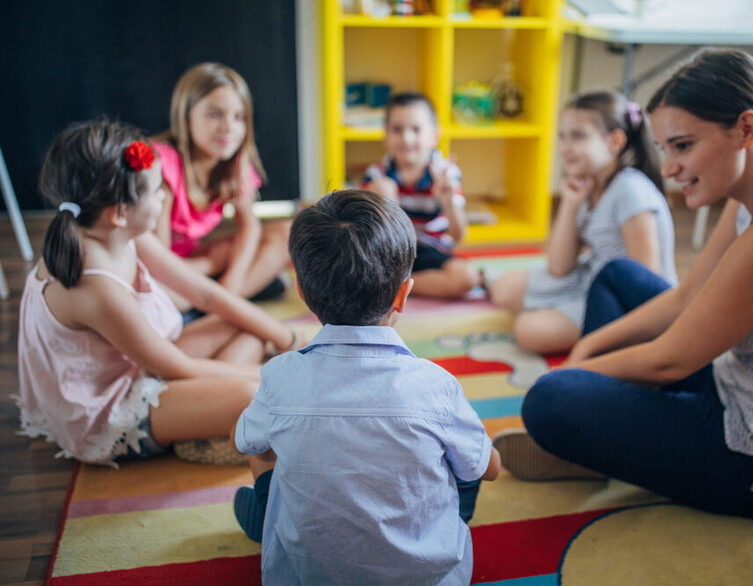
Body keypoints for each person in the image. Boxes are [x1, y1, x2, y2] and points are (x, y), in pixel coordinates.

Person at [493, 49, 753, 516]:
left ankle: (602, 435)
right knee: (616, 277)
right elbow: (686, 297)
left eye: (683, 145)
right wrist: (584, 353)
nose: (670, 169)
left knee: (549, 400)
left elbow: (668, 362)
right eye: (664, 149)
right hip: (735, 383)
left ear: (746, 130)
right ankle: (609, 433)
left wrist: (574, 374)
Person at [231, 190, 502, 584]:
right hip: (425, 578)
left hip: (308, 574)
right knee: (462, 460)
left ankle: (269, 514)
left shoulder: (280, 375)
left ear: (303, 293)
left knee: (265, 440)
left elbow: (246, 443)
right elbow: (489, 469)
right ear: (403, 295)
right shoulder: (436, 385)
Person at [16, 120, 299, 468]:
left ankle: (206, 419)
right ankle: (206, 421)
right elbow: (174, 365)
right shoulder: (95, 286)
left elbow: (207, 296)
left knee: (250, 328)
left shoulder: (118, 232)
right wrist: (281, 375)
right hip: (116, 408)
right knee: (255, 395)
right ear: (119, 213)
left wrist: (288, 340)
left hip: (141, 366)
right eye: (155, 192)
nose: (164, 197)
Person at [489, 91, 677, 355]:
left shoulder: (630, 190)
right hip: (588, 278)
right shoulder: (589, 183)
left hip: (622, 298)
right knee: (504, 289)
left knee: (528, 330)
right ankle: (557, 311)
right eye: (562, 137)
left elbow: (646, 281)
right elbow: (559, 266)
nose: (565, 147)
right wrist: (570, 204)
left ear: (615, 141)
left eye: (577, 136)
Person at [151, 62, 291, 313]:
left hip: (194, 269)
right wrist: (211, 263)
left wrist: (232, 280)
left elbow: (250, 227)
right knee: (164, 287)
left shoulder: (234, 166)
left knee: (285, 233)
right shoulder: (163, 164)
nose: (228, 127)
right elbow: (157, 260)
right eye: (215, 114)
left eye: (238, 117)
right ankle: (218, 307)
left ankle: (220, 305)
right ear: (186, 115)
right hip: (160, 271)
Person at [363, 91, 481, 299]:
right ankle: (396, 283)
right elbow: (368, 234)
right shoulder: (377, 174)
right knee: (382, 188)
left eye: (416, 129)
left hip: (431, 250)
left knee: (467, 278)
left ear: (434, 136)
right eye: (397, 129)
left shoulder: (445, 174)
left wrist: (449, 202)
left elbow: (458, 236)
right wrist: (384, 200)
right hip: (391, 253)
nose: (407, 138)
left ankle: (396, 287)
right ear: (385, 135)